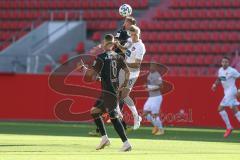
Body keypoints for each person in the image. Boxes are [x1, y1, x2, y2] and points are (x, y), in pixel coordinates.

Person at [78, 34, 132, 151]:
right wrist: (124, 85)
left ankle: (126, 143)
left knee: (113, 118)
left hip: (108, 92)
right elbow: (127, 71)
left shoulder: (101, 57)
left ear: (104, 43)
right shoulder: (118, 56)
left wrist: (83, 69)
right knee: (95, 111)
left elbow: (92, 76)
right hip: (114, 90)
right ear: (112, 44)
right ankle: (104, 138)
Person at [88, 16, 137, 136]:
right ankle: (108, 131)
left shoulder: (125, 36)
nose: (124, 23)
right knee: (104, 109)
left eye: (126, 21)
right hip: (114, 78)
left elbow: (91, 75)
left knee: (102, 110)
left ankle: (118, 136)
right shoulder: (117, 52)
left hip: (111, 87)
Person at [115, 25, 146, 130]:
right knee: (117, 91)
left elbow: (137, 64)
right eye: (131, 35)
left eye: (135, 35)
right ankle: (118, 113)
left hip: (132, 72)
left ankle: (136, 117)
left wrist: (125, 65)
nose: (133, 37)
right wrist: (118, 45)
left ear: (139, 34)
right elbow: (125, 51)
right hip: (125, 70)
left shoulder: (141, 47)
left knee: (124, 95)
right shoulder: (129, 40)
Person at [211, 56, 240, 138]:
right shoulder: (220, 70)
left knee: (220, 109)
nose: (224, 63)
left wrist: (239, 90)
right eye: (223, 62)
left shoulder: (232, 71)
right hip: (226, 92)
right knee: (235, 110)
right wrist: (214, 85)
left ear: (229, 63)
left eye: (226, 62)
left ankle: (229, 127)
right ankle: (229, 127)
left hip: (231, 91)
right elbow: (219, 79)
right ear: (221, 63)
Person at [143, 63, 164, 135]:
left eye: (152, 66)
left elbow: (161, 86)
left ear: (155, 67)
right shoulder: (149, 75)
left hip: (156, 97)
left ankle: (161, 130)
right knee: (145, 113)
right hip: (151, 97)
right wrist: (146, 86)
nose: (151, 67)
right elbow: (149, 84)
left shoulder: (157, 75)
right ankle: (156, 126)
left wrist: (151, 88)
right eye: (150, 66)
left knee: (154, 114)